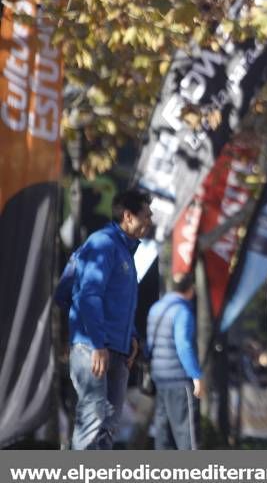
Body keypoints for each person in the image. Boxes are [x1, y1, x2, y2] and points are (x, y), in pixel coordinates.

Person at [68, 188, 152, 450]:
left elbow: (119, 304)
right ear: (128, 216)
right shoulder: (103, 243)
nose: (149, 222)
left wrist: (134, 337)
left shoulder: (126, 251)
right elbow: (89, 295)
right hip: (95, 348)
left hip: (118, 350)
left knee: (107, 430)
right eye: (146, 216)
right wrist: (97, 343)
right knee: (92, 425)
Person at [146, 273, 205, 450]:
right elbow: (184, 345)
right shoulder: (183, 311)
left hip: (159, 378)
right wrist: (196, 375)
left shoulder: (156, 308)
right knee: (187, 433)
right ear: (191, 289)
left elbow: (150, 344)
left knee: (163, 435)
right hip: (179, 380)